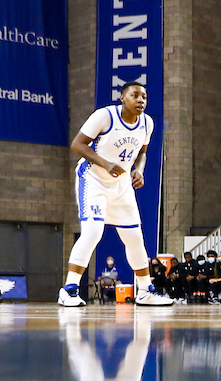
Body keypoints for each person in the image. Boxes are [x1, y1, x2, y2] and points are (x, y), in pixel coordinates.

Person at [58, 81, 172, 307]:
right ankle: (69, 290)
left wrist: (138, 171)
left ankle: (145, 291)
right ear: (122, 98)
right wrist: (105, 163)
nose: (141, 100)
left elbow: (142, 153)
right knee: (92, 232)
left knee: (135, 238)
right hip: (93, 178)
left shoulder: (147, 123)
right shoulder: (105, 116)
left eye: (144, 97)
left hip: (121, 184)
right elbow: (77, 144)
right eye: (135, 95)